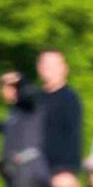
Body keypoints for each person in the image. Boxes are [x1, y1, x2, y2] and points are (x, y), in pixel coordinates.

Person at [0, 70, 48, 187]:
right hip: (15, 174)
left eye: (8, 87)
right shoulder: (13, 112)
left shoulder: (29, 106)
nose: (3, 92)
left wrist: (20, 80)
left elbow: (31, 93)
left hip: (29, 171)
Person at [32, 50, 86, 179]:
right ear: (39, 68)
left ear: (64, 69)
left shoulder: (70, 99)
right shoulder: (35, 99)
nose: (48, 69)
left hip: (59, 172)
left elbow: (73, 138)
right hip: (34, 171)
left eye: (53, 65)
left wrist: (67, 171)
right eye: (45, 64)